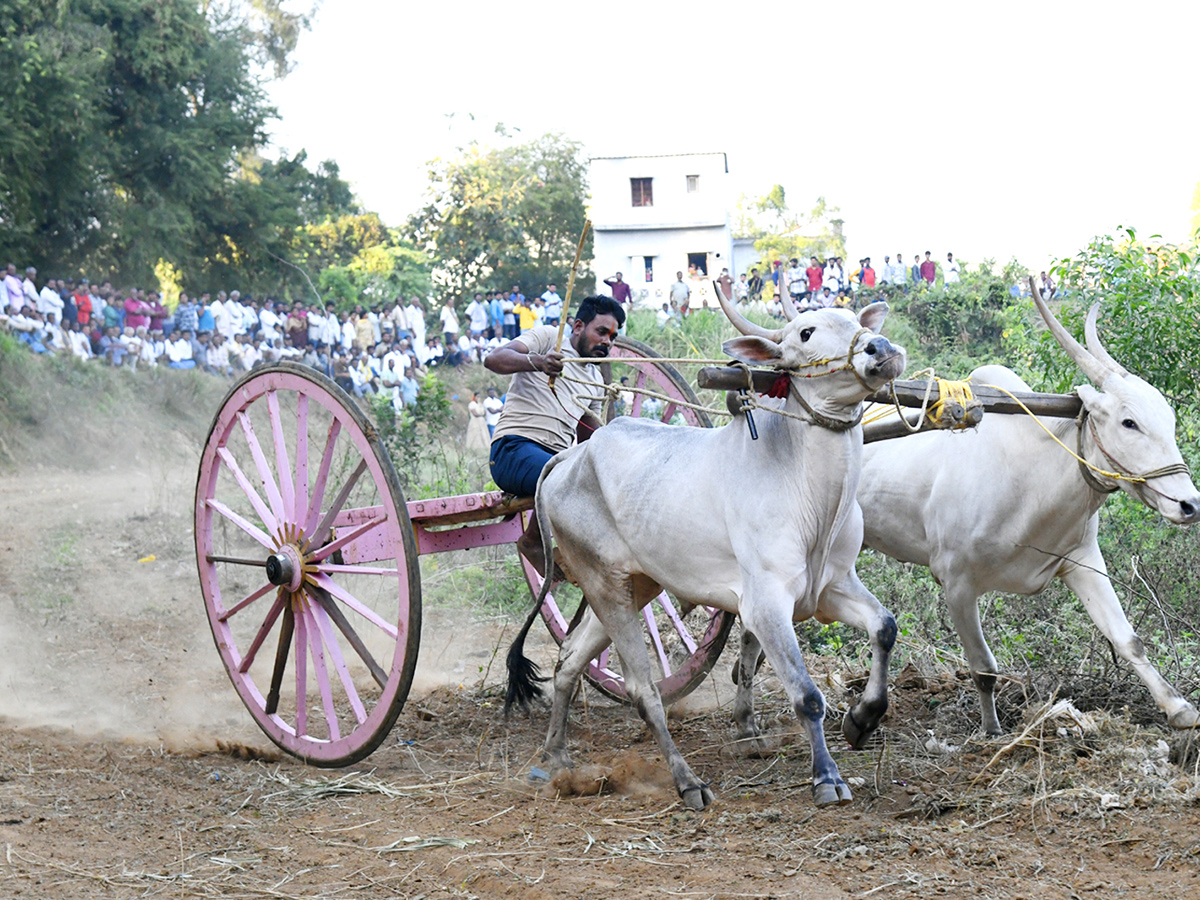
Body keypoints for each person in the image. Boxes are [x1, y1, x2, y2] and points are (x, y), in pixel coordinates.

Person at [484, 295, 624, 574]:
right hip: (511, 452)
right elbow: (494, 359)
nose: (607, 341)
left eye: (613, 336)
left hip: (553, 464)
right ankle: (532, 541)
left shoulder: (595, 381)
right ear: (578, 326)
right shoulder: (550, 338)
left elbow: (591, 441)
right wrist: (538, 362)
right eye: (601, 332)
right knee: (565, 474)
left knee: (593, 476)